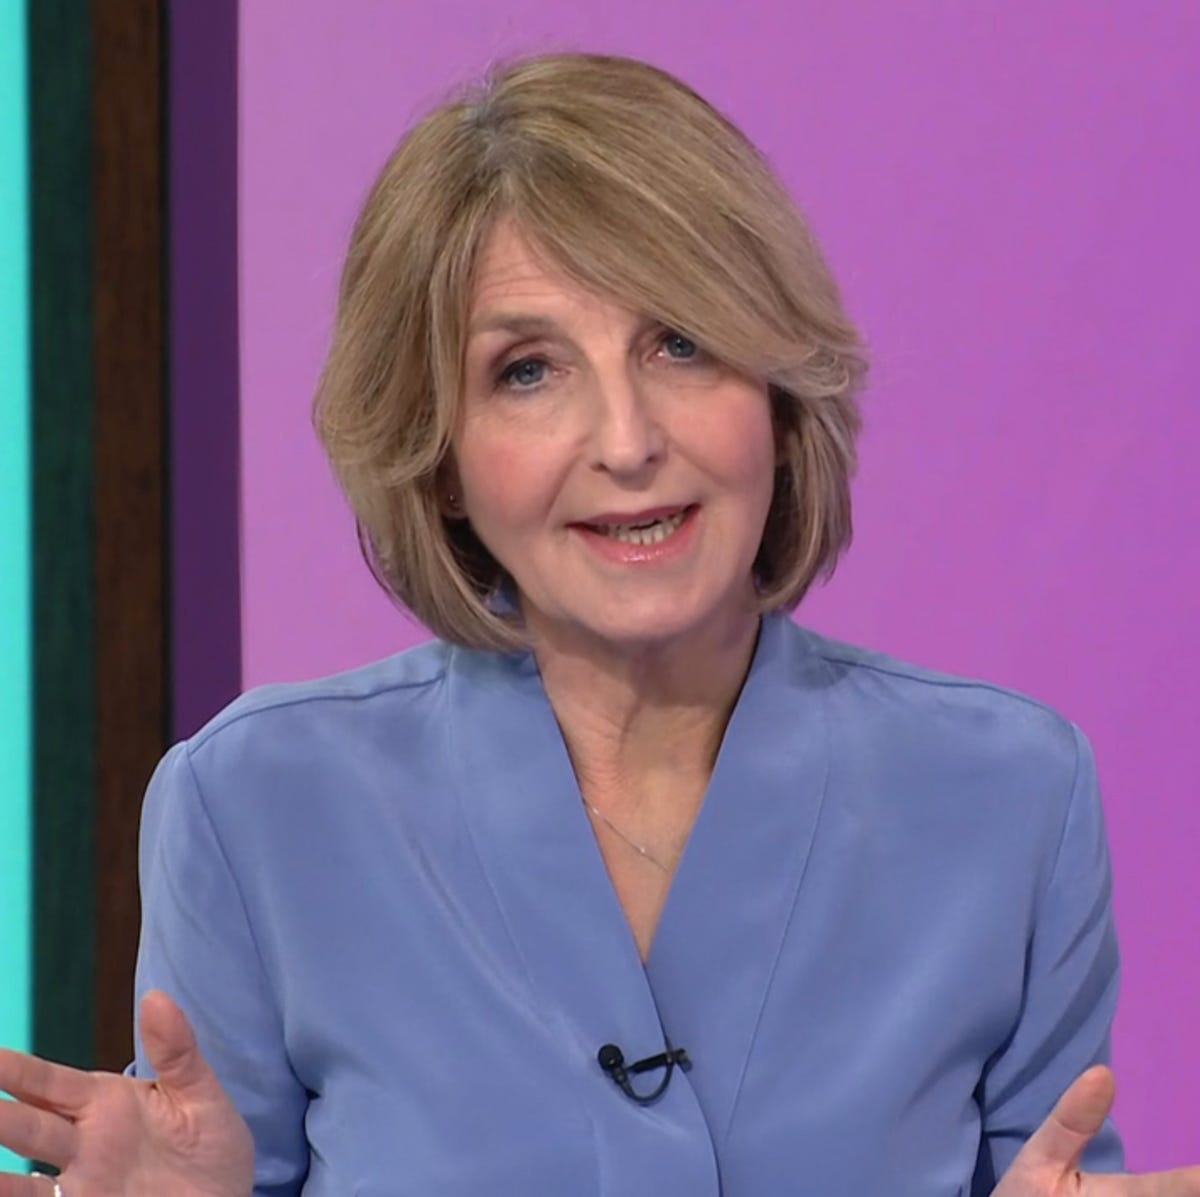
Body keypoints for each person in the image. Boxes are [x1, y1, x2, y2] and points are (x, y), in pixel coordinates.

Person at [0, 51, 1196, 1197]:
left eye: (681, 342)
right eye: (528, 370)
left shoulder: (1011, 799)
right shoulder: (257, 811)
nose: (627, 442)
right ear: (441, 457)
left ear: (777, 399)